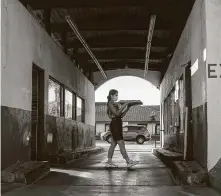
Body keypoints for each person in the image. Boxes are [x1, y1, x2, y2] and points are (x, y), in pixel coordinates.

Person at [106, 89, 139, 168]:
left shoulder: (115, 104)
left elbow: (121, 115)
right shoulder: (110, 104)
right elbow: (117, 113)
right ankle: (128, 161)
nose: (117, 97)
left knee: (113, 144)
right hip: (115, 125)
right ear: (111, 95)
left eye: (117, 95)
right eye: (116, 95)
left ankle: (109, 162)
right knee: (121, 143)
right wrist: (125, 104)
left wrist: (128, 107)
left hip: (117, 123)